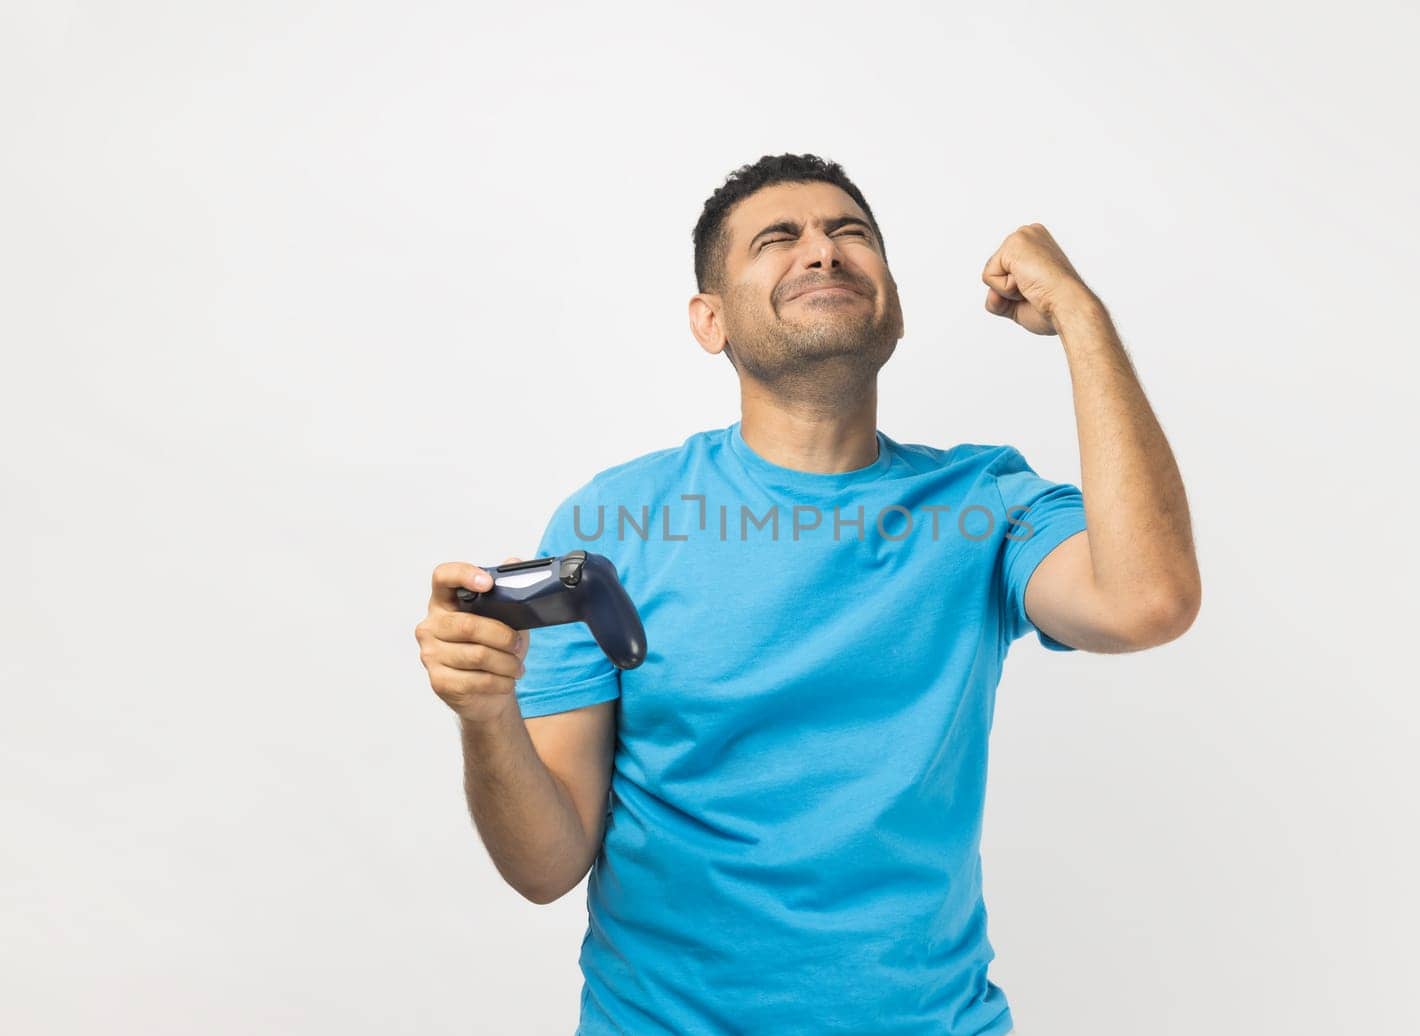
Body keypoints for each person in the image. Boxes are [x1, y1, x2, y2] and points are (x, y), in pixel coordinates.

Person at [415, 152, 1201, 1035]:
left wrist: (1081, 316)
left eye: (850, 234)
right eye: (778, 239)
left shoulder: (987, 505)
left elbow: (1148, 603)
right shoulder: (613, 523)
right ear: (709, 322)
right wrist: (485, 716)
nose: (822, 252)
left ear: (892, 302)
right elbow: (545, 864)